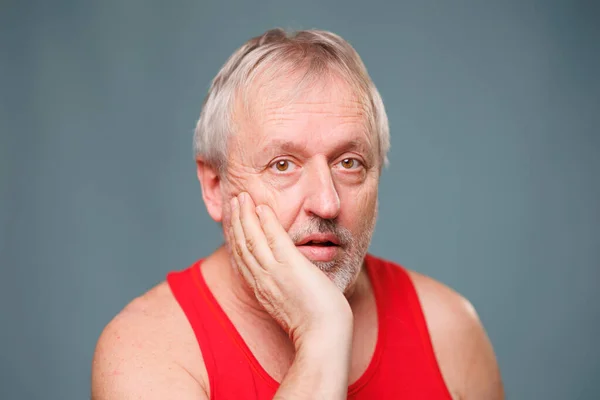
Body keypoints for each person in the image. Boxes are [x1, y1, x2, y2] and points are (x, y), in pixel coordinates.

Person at [91, 28, 504, 399]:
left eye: (349, 163)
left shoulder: (448, 328)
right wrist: (322, 336)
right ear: (215, 186)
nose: (326, 203)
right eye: (283, 165)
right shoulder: (144, 351)